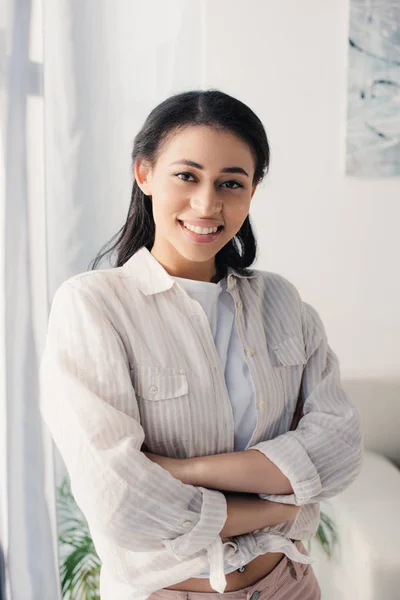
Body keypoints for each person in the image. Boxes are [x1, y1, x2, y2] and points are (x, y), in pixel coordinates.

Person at [39, 89, 363, 600]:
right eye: (187, 176)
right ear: (144, 174)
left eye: (230, 183)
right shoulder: (93, 307)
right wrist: (277, 507)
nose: (207, 204)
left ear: (252, 191)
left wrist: (183, 472)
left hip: (289, 586)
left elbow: (340, 450)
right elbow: (121, 502)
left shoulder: (282, 302)